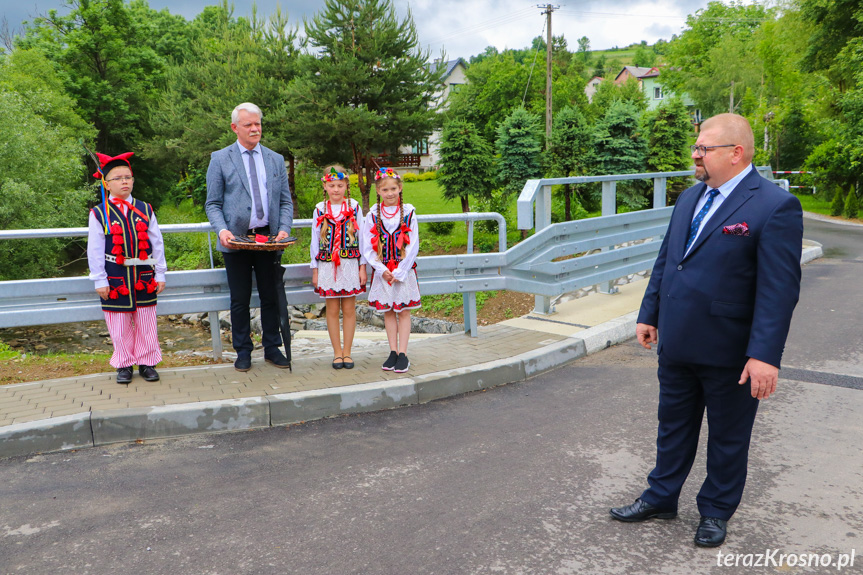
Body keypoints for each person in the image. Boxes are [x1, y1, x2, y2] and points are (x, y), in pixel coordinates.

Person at [609, 113, 803, 547]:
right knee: (672, 426)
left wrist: (765, 355)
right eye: (696, 147)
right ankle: (661, 496)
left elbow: (779, 291)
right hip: (677, 340)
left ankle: (715, 511)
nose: (695, 155)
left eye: (704, 148)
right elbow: (668, 260)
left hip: (731, 350)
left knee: (728, 437)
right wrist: (649, 312)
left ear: (736, 153)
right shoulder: (690, 198)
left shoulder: (774, 205)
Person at [205, 102, 293, 372]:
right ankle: (243, 351)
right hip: (236, 241)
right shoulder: (220, 158)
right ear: (235, 128)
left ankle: (272, 348)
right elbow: (213, 203)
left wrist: (284, 229)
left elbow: (285, 202)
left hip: (268, 240)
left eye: (258, 124)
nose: (255, 129)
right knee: (239, 299)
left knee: (270, 297)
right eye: (249, 125)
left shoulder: (275, 159)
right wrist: (222, 230)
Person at [87, 152, 166, 384]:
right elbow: (95, 249)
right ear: (106, 183)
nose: (124, 182)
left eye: (128, 177)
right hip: (115, 276)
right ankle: (123, 364)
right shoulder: (99, 213)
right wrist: (99, 279)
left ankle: (148, 362)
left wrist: (160, 273)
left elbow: (157, 242)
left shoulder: (145, 208)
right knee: (118, 323)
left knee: (146, 320)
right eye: (118, 178)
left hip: (143, 274)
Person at [361, 167, 421, 373]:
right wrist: (381, 269)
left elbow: (413, 245)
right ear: (378, 191)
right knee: (388, 311)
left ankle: (403, 353)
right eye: (385, 190)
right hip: (383, 271)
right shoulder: (372, 215)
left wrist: (400, 271)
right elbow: (367, 247)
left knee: (403, 311)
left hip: (403, 271)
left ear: (400, 188)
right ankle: (393, 351)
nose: (390, 193)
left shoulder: (409, 212)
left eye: (393, 188)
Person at [310, 165, 367, 369]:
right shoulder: (320, 208)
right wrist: (315, 269)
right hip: (327, 265)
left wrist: (362, 267)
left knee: (349, 308)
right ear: (325, 186)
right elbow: (315, 241)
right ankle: (336, 353)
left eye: (340, 185)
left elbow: (363, 239)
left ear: (346, 186)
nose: (336, 189)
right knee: (332, 310)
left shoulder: (354, 206)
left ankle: (348, 352)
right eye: (332, 185)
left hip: (349, 263)